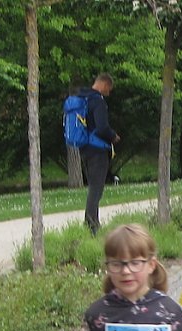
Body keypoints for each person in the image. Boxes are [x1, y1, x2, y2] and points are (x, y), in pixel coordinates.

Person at [79, 73, 120, 235]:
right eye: (108, 89)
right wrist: (113, 136)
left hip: (85, 148)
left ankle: (90, 222)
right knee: (96, 188)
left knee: (93, 187)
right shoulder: (97, 101)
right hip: (97, 150)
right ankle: (92, 225)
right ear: (103, 85)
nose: (108, 93)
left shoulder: (83, 98)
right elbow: (102, 127)